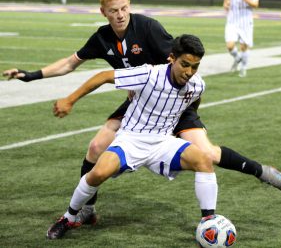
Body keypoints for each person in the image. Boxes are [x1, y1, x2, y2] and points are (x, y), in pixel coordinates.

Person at [3, 0, 281, 226]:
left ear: (129, 5)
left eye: (124, 8)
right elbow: (70, 63)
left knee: (207, 153)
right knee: (95, 148)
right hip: (140, 108)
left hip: (174, 102)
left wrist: (182, 109)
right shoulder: (103, 37)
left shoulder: (148, 28)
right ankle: (86, 211)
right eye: (114, 11)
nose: (120, 15)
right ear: (103, 12)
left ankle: (263, 172)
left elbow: (181, 61)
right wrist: (30, 76)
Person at [47, 34, 218, 239]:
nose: (189, 72)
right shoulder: (149, 74)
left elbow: (191, 105)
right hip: (131, 139)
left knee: (204, 160)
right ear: (172, 58)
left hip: (163, 142)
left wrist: (187, 126)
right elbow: (103, 76)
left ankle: (209, 223)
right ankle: (69, 217)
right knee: (98, 174)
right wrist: (69, 100)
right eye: (185, 64)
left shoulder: (197, 85)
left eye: (195, 66)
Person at [223, 0, 259, 77]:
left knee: (244, 46)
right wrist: (226, 3)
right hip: (232, 20)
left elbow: (256, 4)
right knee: (230, 45)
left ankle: (243, 67)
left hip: (245, 20)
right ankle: (237, 58)